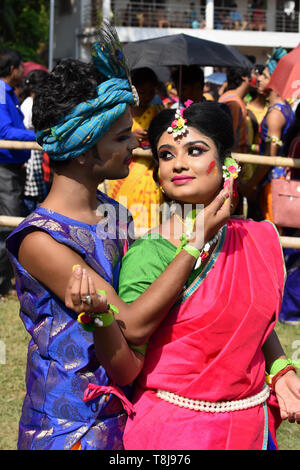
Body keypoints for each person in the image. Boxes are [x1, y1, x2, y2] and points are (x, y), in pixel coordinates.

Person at [5, 26, 232, 450]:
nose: (137, 141)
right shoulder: (40, 239)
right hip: (69, 429)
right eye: (122, 136)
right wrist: (196, 239)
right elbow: (132, 321)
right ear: (87, 147)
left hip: (127, 415)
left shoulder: (115, 212)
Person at [114, 102, 300, 450]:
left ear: (229, 165)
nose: (179, 163)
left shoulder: (256, 238)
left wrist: (282, 369)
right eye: (166, 155)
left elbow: (253, 324)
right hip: (176, 430)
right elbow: (130, 336)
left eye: (195, 151)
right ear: (158, 173)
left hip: (251, 426)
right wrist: (194, 242)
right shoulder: (150, 252)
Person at [107, 67, 163, 235]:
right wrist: (130, 135)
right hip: (122, 172)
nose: (147, 96)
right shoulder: (120, 113)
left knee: (147, 222)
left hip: (148, 174)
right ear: (133, 90)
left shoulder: (158, 112)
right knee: (119, 222)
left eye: (151, 92)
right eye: (142, 91)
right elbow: (108, 137)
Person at [0, 49, 36, 300]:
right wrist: (39, 135)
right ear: (12, 69)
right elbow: (5, 131)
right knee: (8, 223)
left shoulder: (8, 93)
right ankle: (2, 283)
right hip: (4, 169)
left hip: (12, 168)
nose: (23, 71)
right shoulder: (1, 93)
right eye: (21, 66)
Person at [244, 48, 295, 223]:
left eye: (265, 76)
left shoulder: (275, 114)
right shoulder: (283, 108)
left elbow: (270, 157)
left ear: (274, 80)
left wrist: (250, 184)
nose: (259, 79)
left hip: (273, 183)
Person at [20, 69, 50, 215]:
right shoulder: (29, 104)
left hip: (35, 154)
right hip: (31, 155)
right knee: (32, 194)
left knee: (36, 191)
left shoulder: (31, 102)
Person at [219, 66, 251, 154]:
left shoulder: (231, 98)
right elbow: (228, 139)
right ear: (245, 79)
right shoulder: (233, 103)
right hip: (233, 161)